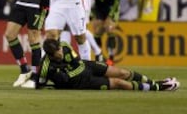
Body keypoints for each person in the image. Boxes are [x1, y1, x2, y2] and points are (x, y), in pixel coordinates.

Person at [36, 39, 180, 91]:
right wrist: (57, 84)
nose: (60, 53)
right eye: (57, 52)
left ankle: (155, 82)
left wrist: (67, 75)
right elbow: (41, 84)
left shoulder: (65, 46)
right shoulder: (46, 66)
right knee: (119, 83)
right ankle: (160, 87)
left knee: (123, 72)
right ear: (50, 55)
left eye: (59, 49)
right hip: (82, 82)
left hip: (87, 66)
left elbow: (78, 64)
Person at [90, 0, 120, 66]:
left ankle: (111, 59)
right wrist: (92, 17)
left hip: (111, 11)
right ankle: (98, 57)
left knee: (109, 29)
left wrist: (110, 17)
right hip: (98, 12)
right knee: (97, 32)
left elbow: (116, 3)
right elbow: (86, 3)